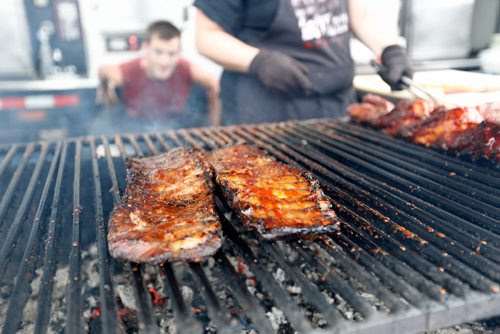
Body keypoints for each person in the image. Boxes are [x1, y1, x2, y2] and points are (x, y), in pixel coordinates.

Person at [194, 0, 413, 125]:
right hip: (266, 116)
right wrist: (258, 61)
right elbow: (206, 36)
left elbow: (361, 16)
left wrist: (389, 49)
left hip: (336, 110)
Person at [97, 20, 221, 129]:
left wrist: (213, 127)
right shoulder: (129, 71)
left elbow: (214, 84)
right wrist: (103, 87)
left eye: (171, 54)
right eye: (158, 52)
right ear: (146, 48)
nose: (164, 62)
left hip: (175, 132)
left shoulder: (185, 68)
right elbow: (103, 71)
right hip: (136, 131)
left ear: (179, 52)